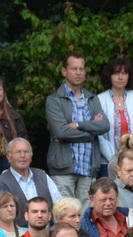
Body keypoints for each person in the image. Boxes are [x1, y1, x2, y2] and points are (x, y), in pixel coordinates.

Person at [44, 53, 107, 202]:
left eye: (81, 69)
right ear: (64, 71)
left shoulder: (92, 98)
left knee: (85, 217)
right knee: (65, 214)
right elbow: (61, 131)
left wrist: (78, 125)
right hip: (63, 169)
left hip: (88, 168)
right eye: (74, 69)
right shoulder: (54, 100)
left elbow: (105, 125)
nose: (78, 72)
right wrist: (92, 132)